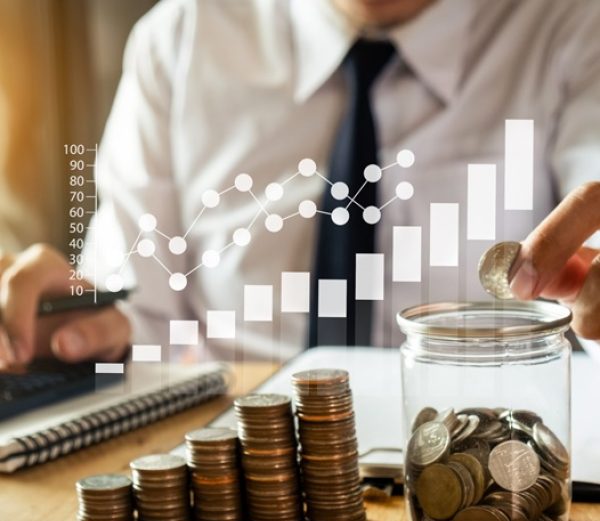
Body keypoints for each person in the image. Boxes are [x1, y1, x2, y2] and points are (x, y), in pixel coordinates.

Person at [0, 0, 599, 366]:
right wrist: (69, 330)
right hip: (241, 479)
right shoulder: (180, 39)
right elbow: (141, 310)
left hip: (479, 468)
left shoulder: (577, 30)